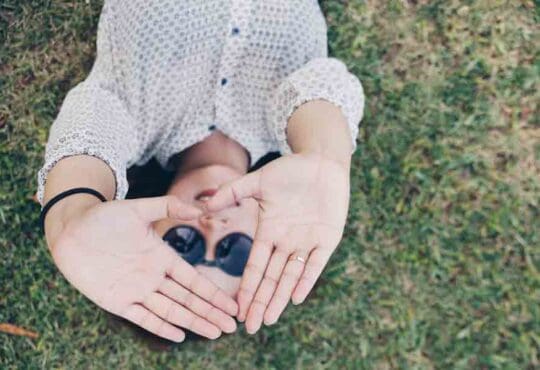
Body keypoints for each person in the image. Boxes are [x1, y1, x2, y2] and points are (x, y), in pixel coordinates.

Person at [38, 0, 365, 343]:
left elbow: (92, 123)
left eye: (183, 244)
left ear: (149, 227)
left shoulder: (135, 121)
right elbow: (323, 83)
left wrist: (70, 214)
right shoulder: (296, 132)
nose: (211, 227)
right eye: (235, 250)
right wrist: (325, 155)